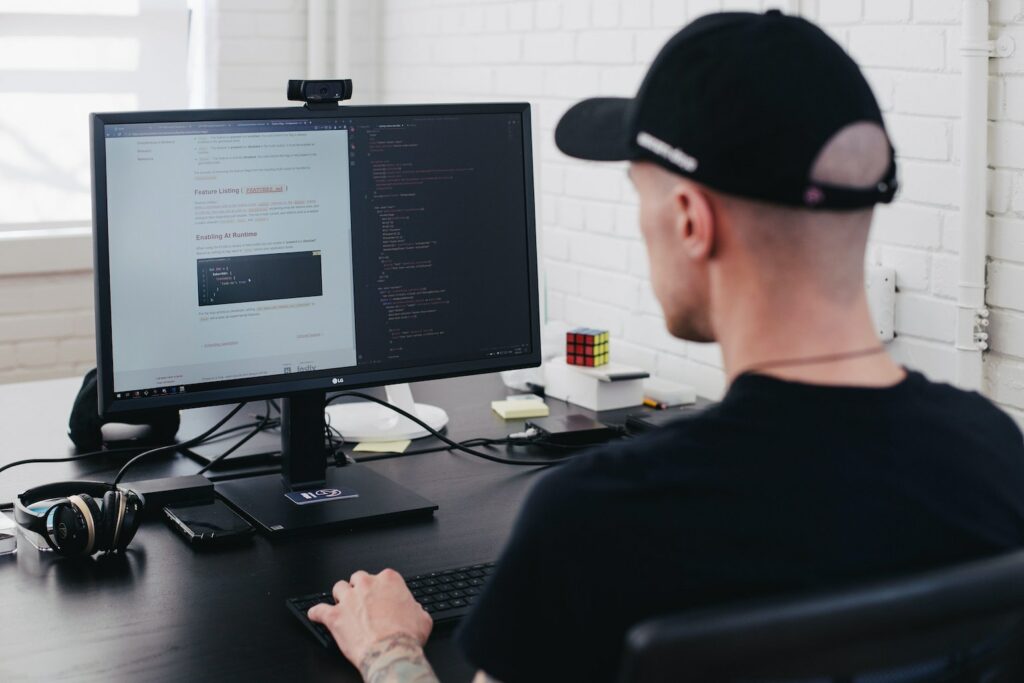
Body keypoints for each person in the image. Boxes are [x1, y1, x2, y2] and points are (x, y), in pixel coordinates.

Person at [308, 10, 1024, 682]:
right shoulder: (995, 452)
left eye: (639, 193)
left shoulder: (596, 519)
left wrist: (388, 645)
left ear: (689, 220)